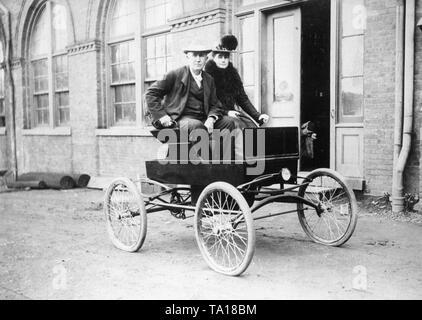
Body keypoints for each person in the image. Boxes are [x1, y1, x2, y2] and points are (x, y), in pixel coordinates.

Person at [145, 44, 237, 161]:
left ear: (206, 59)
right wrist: (162, 116)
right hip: (180, 120)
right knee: (196, 126)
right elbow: (150, 93)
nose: (198, 59)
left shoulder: (209, 79)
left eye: (202, 56)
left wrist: (211, 119)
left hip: (203, 118)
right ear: (188, 57)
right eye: (194, 55)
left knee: (228, 122)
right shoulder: (175, 75)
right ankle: (211, 165)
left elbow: (215, 105)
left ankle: (226, 162)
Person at [204, 35, 270, 129]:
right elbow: (208, 102)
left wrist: (257, 115)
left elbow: (242, 98)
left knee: (252, 127)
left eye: (226, 57)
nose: (223, 60)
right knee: (238, 126)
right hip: (214, 116)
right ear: (214, 58)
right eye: (220, 57)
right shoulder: (208, 76)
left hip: (231, 113)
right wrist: (226, 112)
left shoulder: (233, 75)